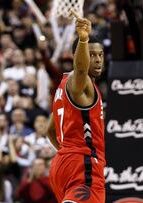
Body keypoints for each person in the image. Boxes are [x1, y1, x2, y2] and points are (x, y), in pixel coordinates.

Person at [47, 10, 106, 203]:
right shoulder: (80, 82)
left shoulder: (62, 86)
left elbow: (50, 130)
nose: (97, 60)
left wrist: (67, 154)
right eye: (92, 55)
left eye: (100, 55)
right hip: (83, 164)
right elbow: (80, 69)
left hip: (62, 164)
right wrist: (83, 40)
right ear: (79, 56)